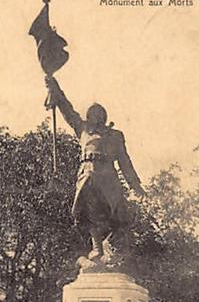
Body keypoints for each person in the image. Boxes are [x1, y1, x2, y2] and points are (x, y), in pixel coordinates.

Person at [45, 76, 145, 263]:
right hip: (88, 175)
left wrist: (135, 184)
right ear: (88, 116)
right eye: (93, 113)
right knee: (91, 213)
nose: (96, 116)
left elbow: (124, 160)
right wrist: (54, 87)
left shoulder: (115, 135)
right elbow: (67, 109)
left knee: (120, 214)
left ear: (105, 116)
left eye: (100, 113)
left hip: (108, 177)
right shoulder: (82, 129)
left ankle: (112, 249)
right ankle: (97, 249)